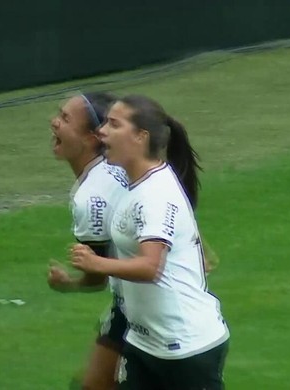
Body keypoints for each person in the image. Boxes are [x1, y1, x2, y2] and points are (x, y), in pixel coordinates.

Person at [71, 95, 230, 390]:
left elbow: (150, 267)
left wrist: (97, 263)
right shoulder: (137, 184)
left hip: (185, 348)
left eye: (114, 124)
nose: (102, 131)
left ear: (140, 137)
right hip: (144, 342)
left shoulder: (154, 195)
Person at [46, 91, 129, 390]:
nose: (54, 123)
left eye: (66, 119)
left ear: (93, 137)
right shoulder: (122, 167)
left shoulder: (90, 198)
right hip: (140, 300)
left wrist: (68, 283)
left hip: (142, 306)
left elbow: (97, 277)